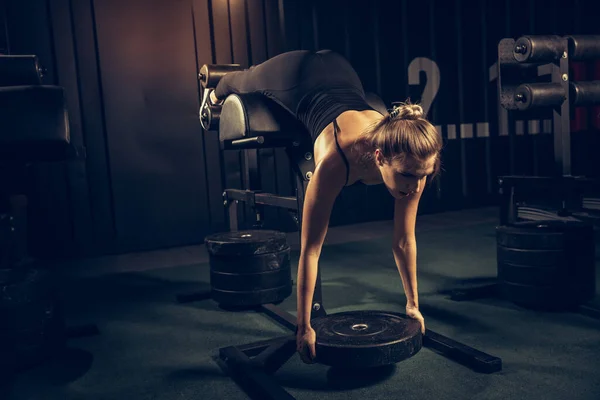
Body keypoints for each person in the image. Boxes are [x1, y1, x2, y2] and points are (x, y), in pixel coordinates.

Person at [209, 49, 443, 365]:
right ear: (378, 158)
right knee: (242, 80)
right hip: (298, 76)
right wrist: (303, 327)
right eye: (409, 177)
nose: (416, 187)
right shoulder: (336, 163)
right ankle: (213, 88)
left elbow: (403, 240)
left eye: (423, 176)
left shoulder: (412, 164)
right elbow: (310, 250)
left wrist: (413, 304)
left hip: (344, 74)